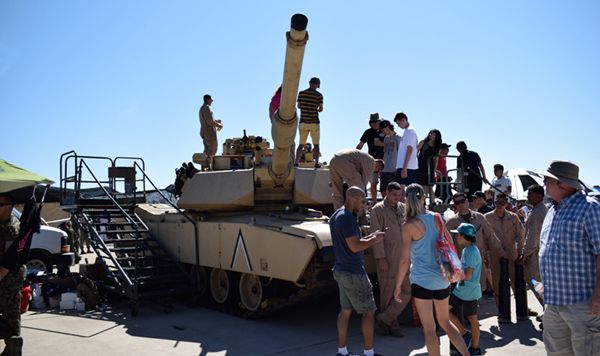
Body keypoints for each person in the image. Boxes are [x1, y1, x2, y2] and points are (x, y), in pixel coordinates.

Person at [393, 184, 469, 356]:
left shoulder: (408, 225)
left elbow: (404, 260)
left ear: (407, 200)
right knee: (446, 323)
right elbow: (450, 243)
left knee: (429, 329)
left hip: (421, 281)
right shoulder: (436, 217)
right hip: (442, 278)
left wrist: (398, 286)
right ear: (423, 198)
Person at [539, 160, 600, 355]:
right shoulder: (551, 211)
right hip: (553, 303)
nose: (543, 183)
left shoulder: (590, 208)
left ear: (562, 184)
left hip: (584, 304)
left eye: (547, 179)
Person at [330, 186, 385, 356]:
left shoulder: (337, 215)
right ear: (353, 197)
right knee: (369, 311)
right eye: (362, 201)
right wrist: (374, 241)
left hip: (341, 270)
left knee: (345, 311)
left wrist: (371, 236)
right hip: (353, 272)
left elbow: (352, 241)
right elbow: (354, 247)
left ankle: (342, 351)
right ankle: (369, 353)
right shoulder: (347, 218)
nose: (363, 205)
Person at [445, 192, 507, 297]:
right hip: (461, 263)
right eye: (457, 202)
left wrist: (502, 253)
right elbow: (446, 244)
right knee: (463, 292)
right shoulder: (451, 222)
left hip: (478, 261)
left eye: (462, 201)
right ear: (454, 205)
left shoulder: (479, 218)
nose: (461, 204)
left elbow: (491, 236)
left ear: (467, 202)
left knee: (478, 288)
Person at [370, 182, 410, 337]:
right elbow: (375, 235)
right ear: (386, 192)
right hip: (388, 256)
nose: (397, 198)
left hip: (404, 257)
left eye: (399, 195)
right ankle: (392, 325)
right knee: (388, 292)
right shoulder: (378, 210)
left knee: (407, 290)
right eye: (394, 194)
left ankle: (385, 318)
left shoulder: (402, 208)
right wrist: (380, 258)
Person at [484, 193, 528, 323]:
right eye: (497, 202)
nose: (499, 205)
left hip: (511, 253)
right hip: (495, 254)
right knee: (497, 283)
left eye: (502, 202)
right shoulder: (487, 218)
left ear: (506, 203)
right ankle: (502, 311)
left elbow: (521, 235)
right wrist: (485, 255)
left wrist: (521, 252)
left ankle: (522, 309)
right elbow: (485, 238)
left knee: (517, 282)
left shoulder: (513, 217)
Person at [448, 223, 482, 356]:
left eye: (458, 234)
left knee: (473, 319)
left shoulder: (472, 251)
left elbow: (468, 275)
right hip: (461, 289)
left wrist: (453, 274)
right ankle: (464, 334)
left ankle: (475, 348)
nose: (456, 237)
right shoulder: (466, 250)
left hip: (469, 290)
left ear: (464, 236)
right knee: (445, 312)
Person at [0, 193, 24, 355]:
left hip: (7, 278)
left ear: (9, 206)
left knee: (10, 314)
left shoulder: (11, 228)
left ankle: (13, 348)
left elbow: (9, 262)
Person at [521, 184, 546, 309]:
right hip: (539, 252)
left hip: (534, 254)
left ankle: (547, 312)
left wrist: (524, 254)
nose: (528, 197)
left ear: (538, 196)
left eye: (530, 194)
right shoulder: (541, 209)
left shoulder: (537, 212)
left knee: (536, 283)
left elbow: (533, 236)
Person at [295, 77, 323, 168]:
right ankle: (316, 163)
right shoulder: (319, 95)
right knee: (316, 145)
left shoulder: (301, 93)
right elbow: (320, 109)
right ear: (318, 85)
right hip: (314, 122)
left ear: (309, 83)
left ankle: (296, 162)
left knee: (301, 144)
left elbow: (298, 106)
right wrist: (314, 109)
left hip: (303, 121)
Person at [357, 113, 385, 200]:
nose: (374, 124)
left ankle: (386, 202)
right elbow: (360, 145)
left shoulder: (384, 131)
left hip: (385, 161)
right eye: (372, 122)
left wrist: (382, 144)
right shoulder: (368, 132)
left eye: (376, 122)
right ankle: (374, 201)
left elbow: (391, 144)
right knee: (373, 182)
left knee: (385, 183)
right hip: (372, 161)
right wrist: (355, 154)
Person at [416, 129, 442, 207]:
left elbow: (436, 159)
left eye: (433, 134)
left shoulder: (437, 146)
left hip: (429, 167)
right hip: (420, 166)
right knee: (420, 186)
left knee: (430, 186)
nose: (431, 135)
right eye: (430, 134)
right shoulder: (423, 142)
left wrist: (434, 170)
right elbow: (415, 152)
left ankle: (432, 203)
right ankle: (421, 203)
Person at [393, 113, 418, 189]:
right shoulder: (408, 131)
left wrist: (404, 168)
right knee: (403, 190)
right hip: (407, 166)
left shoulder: (409, 131)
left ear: (404, 120)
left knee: (401, 191)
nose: (398, 125)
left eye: (399, 123)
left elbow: (410, 149)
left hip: (407, 167)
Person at [378, 120, 401, 199]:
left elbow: (401, 154)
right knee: (383, 189)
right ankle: (386, 206)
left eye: (383, 130)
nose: (383, 132)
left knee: (393, 190)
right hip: (384, 169)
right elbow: (385, 153)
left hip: (393, 169)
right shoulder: (386, 139)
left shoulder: (398, 138)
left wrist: (397, 167)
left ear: (387, 127)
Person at [199, 94, 223, 158]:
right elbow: (210, 122)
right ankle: (207, 165)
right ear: (207, 99)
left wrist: (216, 121)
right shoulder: (206, 107)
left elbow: (208, 120)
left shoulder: (202, 108)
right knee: (211, 149)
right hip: (209, 132)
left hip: (205, 132)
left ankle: (205, 165)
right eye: (211, 99)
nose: (212, 101)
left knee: (207, 150)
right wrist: (219, 125)